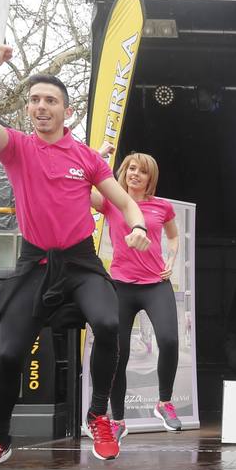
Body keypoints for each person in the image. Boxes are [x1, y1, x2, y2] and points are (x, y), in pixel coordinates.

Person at [0, 44, 150, 470]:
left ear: (67, 111)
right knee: (9, 355)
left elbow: (123, 203)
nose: (41, 107)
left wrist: (138, 226)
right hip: (35, 264)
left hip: (80, 263)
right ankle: (0, 441)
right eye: (35, 100)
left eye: (50, 100)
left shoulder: (85, 157)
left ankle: (97, 415)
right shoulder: (17, 148)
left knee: (107, 323)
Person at [91, 149, 183, 435]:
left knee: (168, 340)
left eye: (142, 170)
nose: (135, 174)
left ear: (150, 178)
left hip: (155, 284)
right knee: (119, 353)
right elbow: (81, 187)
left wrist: (171, 259)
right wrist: (94, 158)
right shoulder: (110, 201)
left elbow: (173, 235)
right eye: (131, 168)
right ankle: (118, 420)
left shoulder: (162, 207)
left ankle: (164, 402)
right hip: (121, 285)